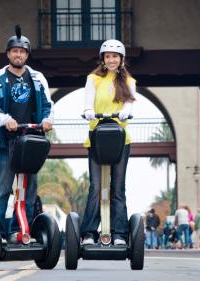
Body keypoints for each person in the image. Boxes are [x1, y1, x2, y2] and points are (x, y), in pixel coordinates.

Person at [0, 26, 54, 242]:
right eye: (14, 51)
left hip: (31, 143)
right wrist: (6, 120)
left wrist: (46, 120)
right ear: (8, 54)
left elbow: (47, 104)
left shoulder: (36, 77)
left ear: (27, 55)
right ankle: (0, 234)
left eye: (22, 51)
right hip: (7, 143)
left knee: (29, 191)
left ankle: (20, 230)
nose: (18, 54)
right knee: (1, 191)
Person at [80, 39, 136, 246]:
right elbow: (87, 103)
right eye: (108, 56)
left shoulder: (129, 81)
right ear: (103, 59)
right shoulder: (93, 79)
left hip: (121, 139)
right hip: (97, 137)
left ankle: (120, 233)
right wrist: (88, 112)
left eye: (115, 56)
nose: (111, 60)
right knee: (96, 186)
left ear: (121, 59)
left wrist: (125, 113)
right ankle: (89, 232)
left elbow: (129, 105)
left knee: (118, 187)